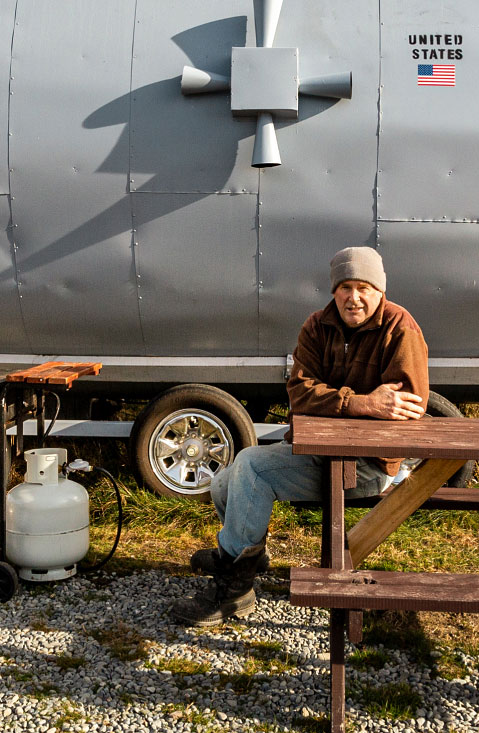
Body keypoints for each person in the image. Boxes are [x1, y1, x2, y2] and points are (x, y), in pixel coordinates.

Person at [170, 246, 429, 626]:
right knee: (224, 484)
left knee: (251, 466)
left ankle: (233, 587)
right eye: (344, 287)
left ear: (379, 289)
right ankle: (248, 555)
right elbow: (299, 393)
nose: (353, 298)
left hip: (368, 466)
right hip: (317, 454)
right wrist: (361, 404)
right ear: (333, 290)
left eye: (363, 287)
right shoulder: (316, 326)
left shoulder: (400, 330)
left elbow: (403, 411)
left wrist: (340, 407)